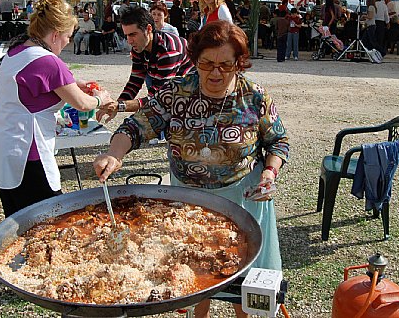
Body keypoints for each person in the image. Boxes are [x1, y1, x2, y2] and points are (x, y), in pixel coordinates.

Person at [93, 20, 289, 318]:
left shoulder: (254, 96)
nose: (214, 72)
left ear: (240, 63)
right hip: (188, 202)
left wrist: (269, 174)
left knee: (243, 286)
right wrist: (114, 154)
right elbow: (135, 126)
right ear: (194, 60)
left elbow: (278, 141)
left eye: (225, 65)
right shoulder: (177, 92)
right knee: (193, 275)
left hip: (243, 198)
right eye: (206, 63)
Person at [0, 0, 112, 217]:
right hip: (26, 151)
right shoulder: (49, 62)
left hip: (3, 145)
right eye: (67, 37)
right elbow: (81, 103)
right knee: (48, 217)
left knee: (16, 217)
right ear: (54, 35)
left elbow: (44, 81)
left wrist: (74, 83)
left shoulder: (17, 50)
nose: (67, 43)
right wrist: (101, 98)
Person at [99, 6, 194, 122]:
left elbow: (158, 97)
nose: (129, 41)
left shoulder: (168, 51)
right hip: (173, 90)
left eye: (133, 34)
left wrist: (121, 106)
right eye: (127, 35)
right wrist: (116, 105)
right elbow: (135, 81)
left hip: (191, 93)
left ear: (148, 29)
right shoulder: (139, 47)